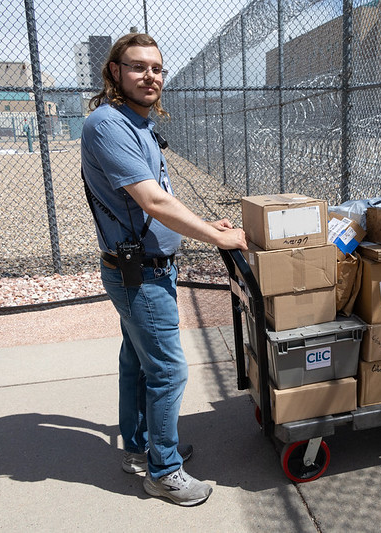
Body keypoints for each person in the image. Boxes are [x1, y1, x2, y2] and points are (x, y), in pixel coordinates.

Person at [80, 33, 247, 507]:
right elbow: (151, 199)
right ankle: (164, 470)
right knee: (168, 371)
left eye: (156, 68)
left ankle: (141, 448)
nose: (150, 76)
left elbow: (162, 196)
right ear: (115, 72)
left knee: (137, 363)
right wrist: (218, 237)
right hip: (140, 274)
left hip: (148, 269)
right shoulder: (108, 124)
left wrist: (202, 224)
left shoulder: (138, 123)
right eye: (138, 67)